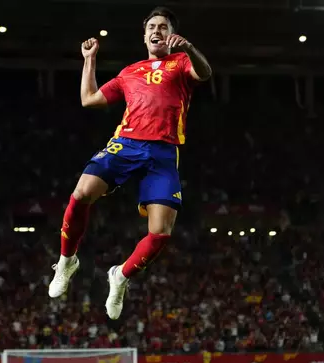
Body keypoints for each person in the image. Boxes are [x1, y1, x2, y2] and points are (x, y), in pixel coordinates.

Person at [48, 6, 212, 319]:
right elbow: (89, 99)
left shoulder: (181, 63)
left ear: (171, 34)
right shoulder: (129, 72)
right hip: (126, 144)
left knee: (160, 233)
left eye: (163, 27)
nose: (157, 31)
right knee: (81, 194)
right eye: (152, 26)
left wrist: (189, 47)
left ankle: (120, 276)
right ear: (144, 35)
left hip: (163, 152)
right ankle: (67, 261)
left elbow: (205, 73)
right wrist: (89, 60)